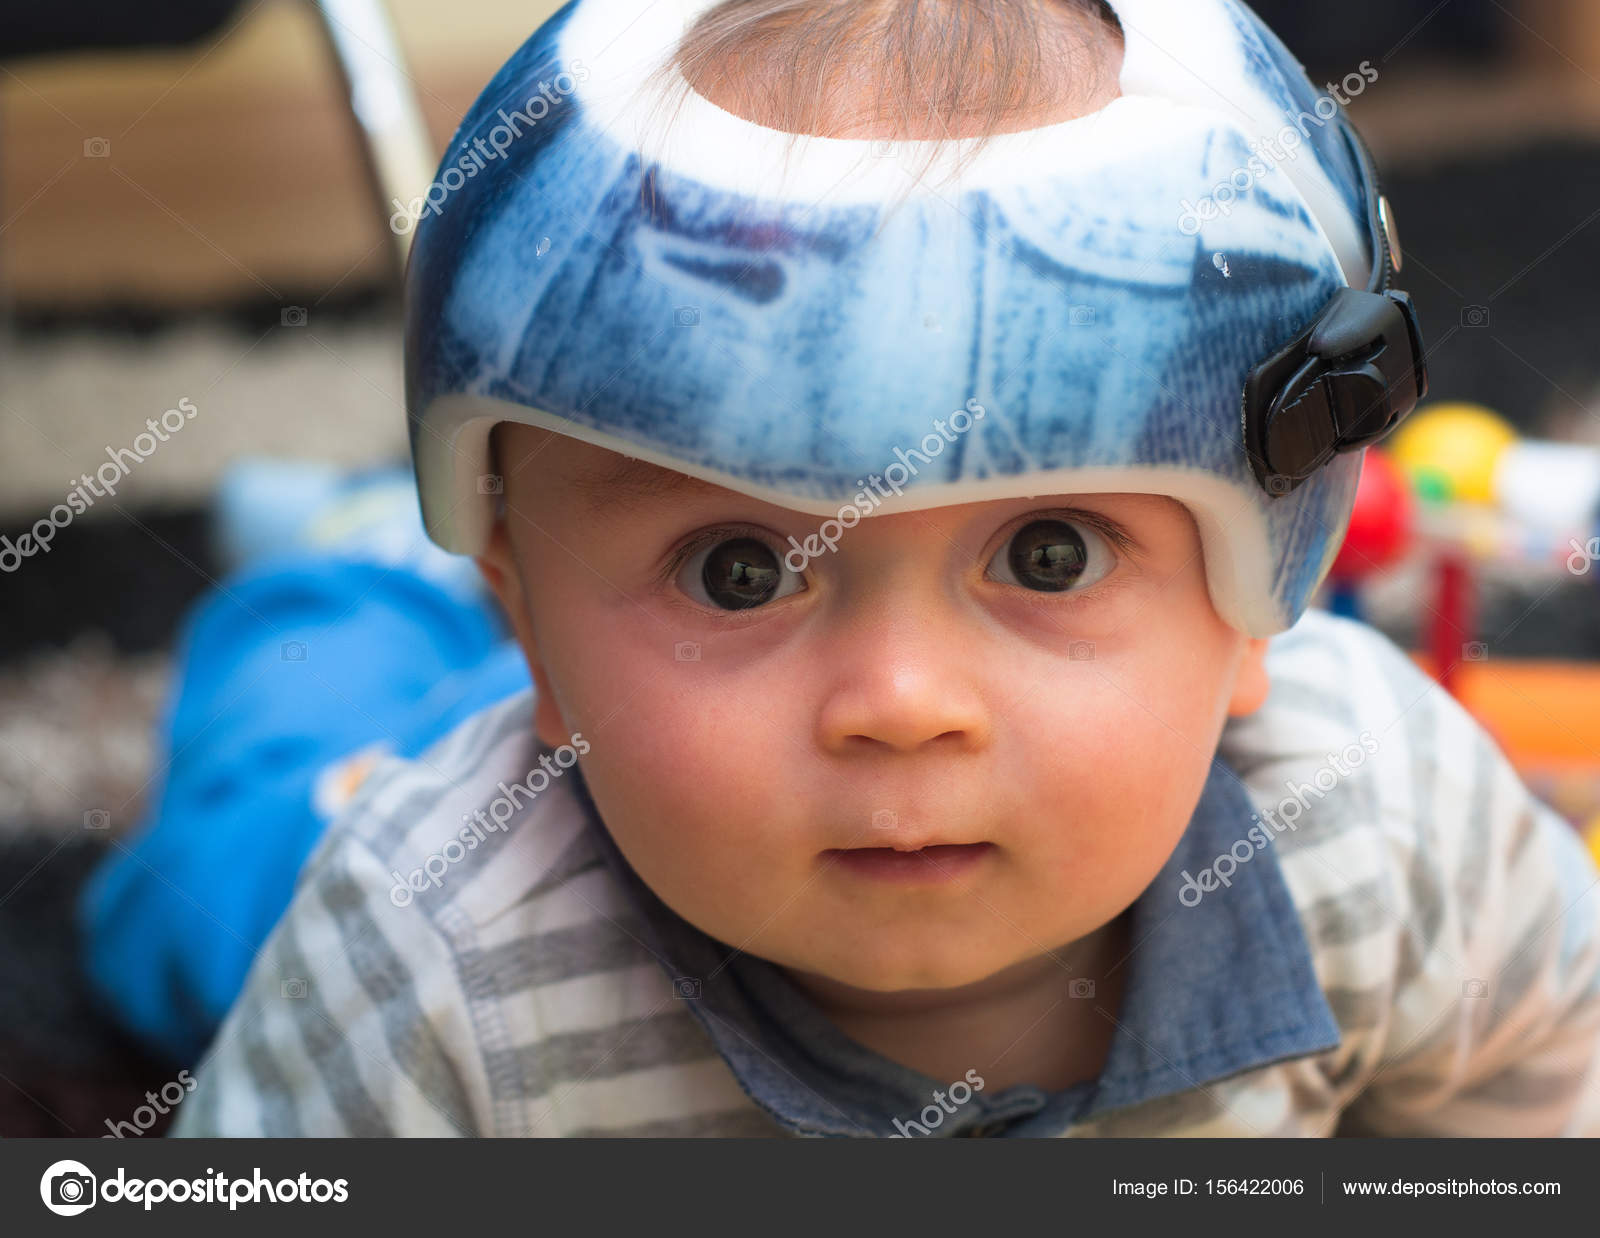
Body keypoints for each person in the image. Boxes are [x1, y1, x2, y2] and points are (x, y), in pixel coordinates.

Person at [165, 0, 1600, 1135]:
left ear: (1262, 584)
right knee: (224, 847)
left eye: (1049, 552)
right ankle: (360, 569)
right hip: (354, 794)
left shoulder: (1386, 817)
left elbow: (1541, 1084)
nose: (902, 702)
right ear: (527, 623)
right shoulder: (417, 959)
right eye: (738, 566)